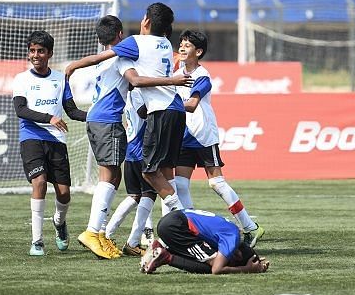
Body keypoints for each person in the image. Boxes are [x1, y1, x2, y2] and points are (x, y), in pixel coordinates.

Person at [65, 14, 192, 260]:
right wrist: (171, 80)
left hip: (98, 118)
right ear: (121, 35)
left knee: (114, 176)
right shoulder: (123, 57)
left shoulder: (106, 61)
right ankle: (93, 232)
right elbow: (135, 80)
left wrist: (74, 65)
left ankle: (101, 234)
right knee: (109, 176)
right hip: (107, 120)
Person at [172, 30, 265, 247]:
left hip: (204, 135)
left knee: (216, 182)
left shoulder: (202, 76)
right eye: (182, 44)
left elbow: (192, 105)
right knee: (180, 184)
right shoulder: (177, 71)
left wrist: (166, 105)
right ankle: (193, 230)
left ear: (199, 51)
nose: (183, 48)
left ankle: (250, 226)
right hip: (184, 136)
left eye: (188, 45)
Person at [12, 30, 88, 256]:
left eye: (41, 51)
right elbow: (21, 110)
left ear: (50, 54)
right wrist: (50, 119)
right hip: (31, 137)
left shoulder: (60, 79)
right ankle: (37, 241)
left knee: (64, 194)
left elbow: (72, 110)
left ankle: (59, 221)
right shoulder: (21, 79)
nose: (35, 55)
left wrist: (95, 116)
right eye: (32, 51)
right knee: (39, 182)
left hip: (56, 140)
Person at [104, 88, 157, 257]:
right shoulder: (138, 93)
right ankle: (133, 242)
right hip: (142, 151)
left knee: (135, 196)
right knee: (149, 193)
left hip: (132, 151)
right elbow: (144, 113)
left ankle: (106, 235)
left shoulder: (129, 94)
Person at [140, 209, 270, 275]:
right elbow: (216, 269)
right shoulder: (232, 239)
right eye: (233, 261)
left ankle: (163, 248)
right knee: (211, 265)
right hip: (177, 226)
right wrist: (246, 269)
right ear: (238, 255)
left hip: (174, 221)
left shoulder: (232, 232)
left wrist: (254, 257)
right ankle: (166, 256)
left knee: (205, 256)